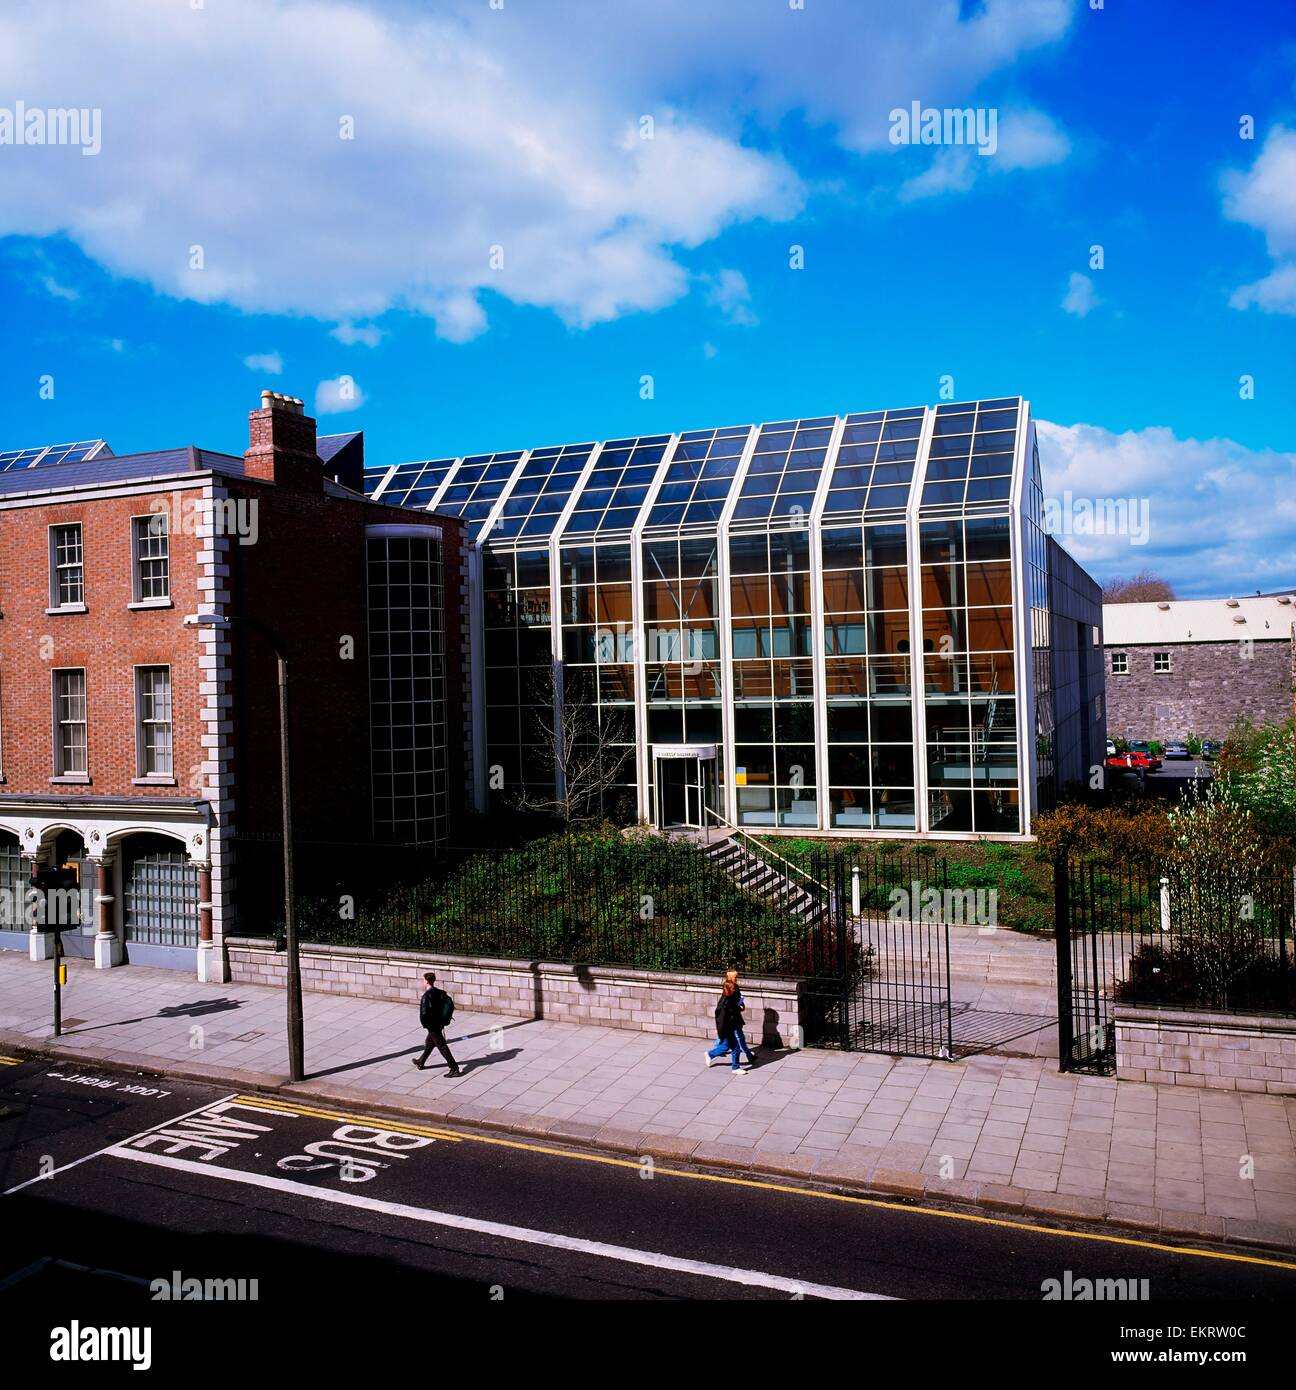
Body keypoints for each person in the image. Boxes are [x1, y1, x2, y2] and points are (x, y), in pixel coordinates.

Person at [705, 970, 757, 1074]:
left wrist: (739, 1007)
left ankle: (711, 1054)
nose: (737, 982)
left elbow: (733, 1008)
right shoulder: (725, 1004)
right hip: (728, 1027)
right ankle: (735, 1067)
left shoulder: (730, 996)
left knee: (727, 1046)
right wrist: (722, 1032)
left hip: (732, 1024)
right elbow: (722, 1018)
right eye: (735, 978)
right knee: (735, 1047)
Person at [412, 970, 461, 1076]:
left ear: (426, 981)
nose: (423, 982)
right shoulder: (439, 992)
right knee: (429, 1043)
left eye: (423, 980)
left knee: (442, 1046)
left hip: (432, 1025)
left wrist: (426, 1025)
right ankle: (421, 1061)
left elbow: (424, 1014)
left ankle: (454, 1068)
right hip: (440, 1022)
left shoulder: (426, 996)